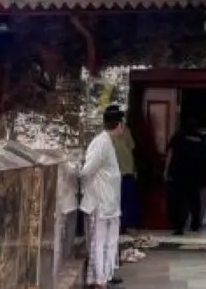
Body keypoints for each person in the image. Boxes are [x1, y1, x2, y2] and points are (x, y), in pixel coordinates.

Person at [81, 106, 127, 288]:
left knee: (110, 241)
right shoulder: (100, 143)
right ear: (119, 124)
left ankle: (107, 274)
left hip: (110, 203)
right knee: (98, 242)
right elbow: (87, 172)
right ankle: (99, 280)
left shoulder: (108, 142)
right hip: (100, 202)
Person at [164, 117, 206, 235]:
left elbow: (170, 153)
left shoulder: (178, 136)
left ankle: (179, 226)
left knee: (179, 200)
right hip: (195, 174)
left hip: (179, 173)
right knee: (194, 200)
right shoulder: (200, 139)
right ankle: (195, 224)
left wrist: (166, 170)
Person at [107, 104, 141, 234]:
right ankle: (118, 226)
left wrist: (134, 169)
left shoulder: (125, 130)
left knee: (128, 200)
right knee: (116, 200)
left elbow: (131, 149)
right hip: (114, 172)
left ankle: (129, 225)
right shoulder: (105, 135)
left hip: (127, 170)